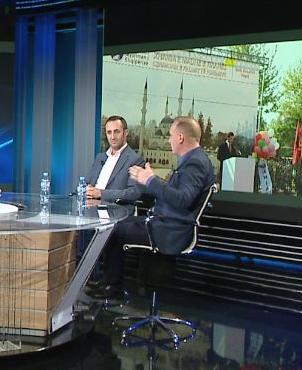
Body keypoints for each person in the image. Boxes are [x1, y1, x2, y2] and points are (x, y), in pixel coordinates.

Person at [87, 116, 215, 299]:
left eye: (170, 135)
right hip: (165, 223)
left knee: (113, 229)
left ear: (180, 138)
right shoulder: (194, 159)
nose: (168, 140)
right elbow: (176, 195)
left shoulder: (195, 162)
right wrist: (152, 180)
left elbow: (183, 200)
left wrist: (150, 180)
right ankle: (109, 283)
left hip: (170, 230)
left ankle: (112, 286)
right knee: (114, 224)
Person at [83, 116, 146, 203]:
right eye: (109, 132)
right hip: (90, 207)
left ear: (125, 133)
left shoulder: (135, 160)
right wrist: (85, 189)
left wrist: (101, 193)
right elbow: (86, 183)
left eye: (116, 132)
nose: (112, 137)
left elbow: (133, 193)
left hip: (116, 209)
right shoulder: (100, 158)